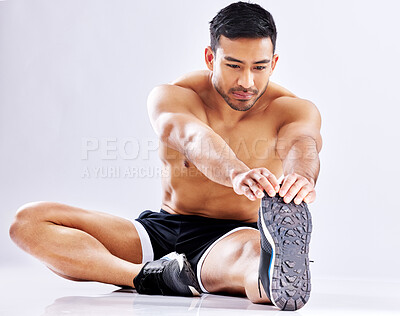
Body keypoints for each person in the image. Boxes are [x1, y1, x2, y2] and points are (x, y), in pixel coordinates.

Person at [9, 1, 322, 311]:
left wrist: (301, 178)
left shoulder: (292, 108)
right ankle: (147, 277)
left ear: (274, 62)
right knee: (29, 222)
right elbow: (193, 138)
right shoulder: (174, 96)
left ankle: (272, 270)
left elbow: (302, 145)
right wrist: (236, 172)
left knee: (256, 265)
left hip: (232, 236)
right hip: (161, 229)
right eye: (234, 65)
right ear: (211, 57)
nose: (246, 82)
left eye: (259, 67)